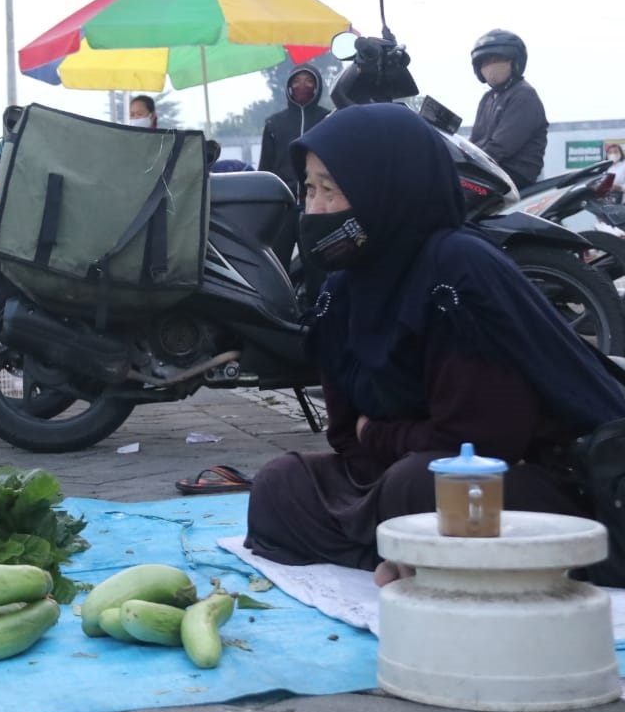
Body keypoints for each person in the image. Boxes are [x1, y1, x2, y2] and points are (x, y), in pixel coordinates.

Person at [243, 103, 625, 586]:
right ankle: (409, 552)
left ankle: (408, 549)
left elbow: (483, 441)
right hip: (404, 477)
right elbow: (345, 435)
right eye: (309, 189)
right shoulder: (343, 289)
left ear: (385, 190)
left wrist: (376, 437)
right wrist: (375, 448)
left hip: (544, 482)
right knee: (281, 486)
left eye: (330, 190)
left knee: (425, 487)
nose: (313, 209)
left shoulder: (457, 271)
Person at [468, 29, 547, 190]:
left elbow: (501, 148)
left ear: (514, 62)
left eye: (497, 59)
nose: (491, 66)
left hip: (513, 175)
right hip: (492, 170)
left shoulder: (523, 95)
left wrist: (471, 163)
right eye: (485, 62)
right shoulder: (488, 99)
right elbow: (475, 141)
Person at [257, 64, 330, 201]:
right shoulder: (274, 123)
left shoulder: (328, 119)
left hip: (319, 199)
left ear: (316, 86)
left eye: (308, 80)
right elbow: (265, 168)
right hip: (282, 202)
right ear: (289, 87)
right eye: (296, 81)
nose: (302, 85)